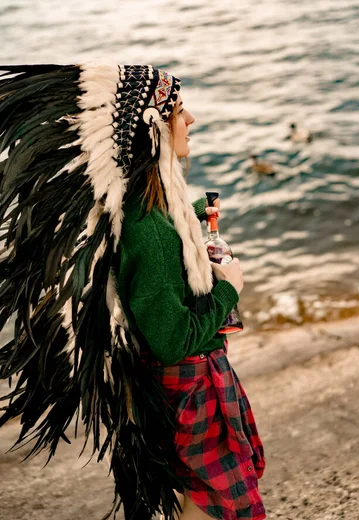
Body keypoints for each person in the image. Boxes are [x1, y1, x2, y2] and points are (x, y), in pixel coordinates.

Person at [0, 62, 266, 520]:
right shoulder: (152, 231)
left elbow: (162, 234)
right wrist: (228, 292)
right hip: (189, 385)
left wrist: (197, 212)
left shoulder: (144, 205)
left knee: (209, 498)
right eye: (179, 111)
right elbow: (169, 340)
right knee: (225, 505)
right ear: (153, 130)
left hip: (187, 383)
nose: (191, 120)